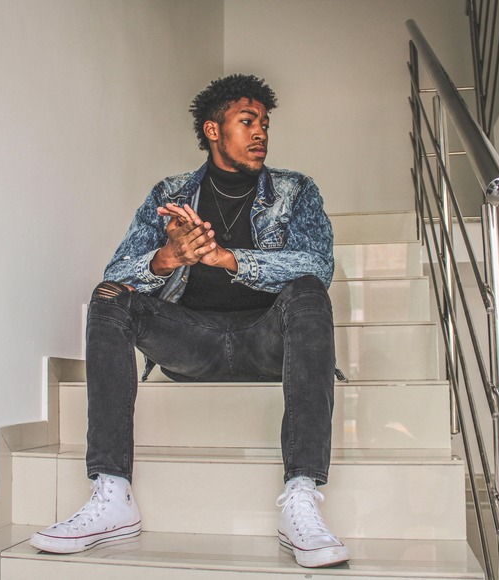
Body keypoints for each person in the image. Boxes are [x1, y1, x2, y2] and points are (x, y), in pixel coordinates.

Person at [30, 74, 349, 569]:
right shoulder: (170, 194)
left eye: (265, 124)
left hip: (268, 341)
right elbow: (118, 271)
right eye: (248, 121)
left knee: (308, 290)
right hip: (192, 343)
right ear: (213, 129)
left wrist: (227, 258)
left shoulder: (295, 190)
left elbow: (318, 265)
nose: (261, 132)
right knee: (109, 297)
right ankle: (112, 492)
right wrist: (169, 257)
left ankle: (301, 494)